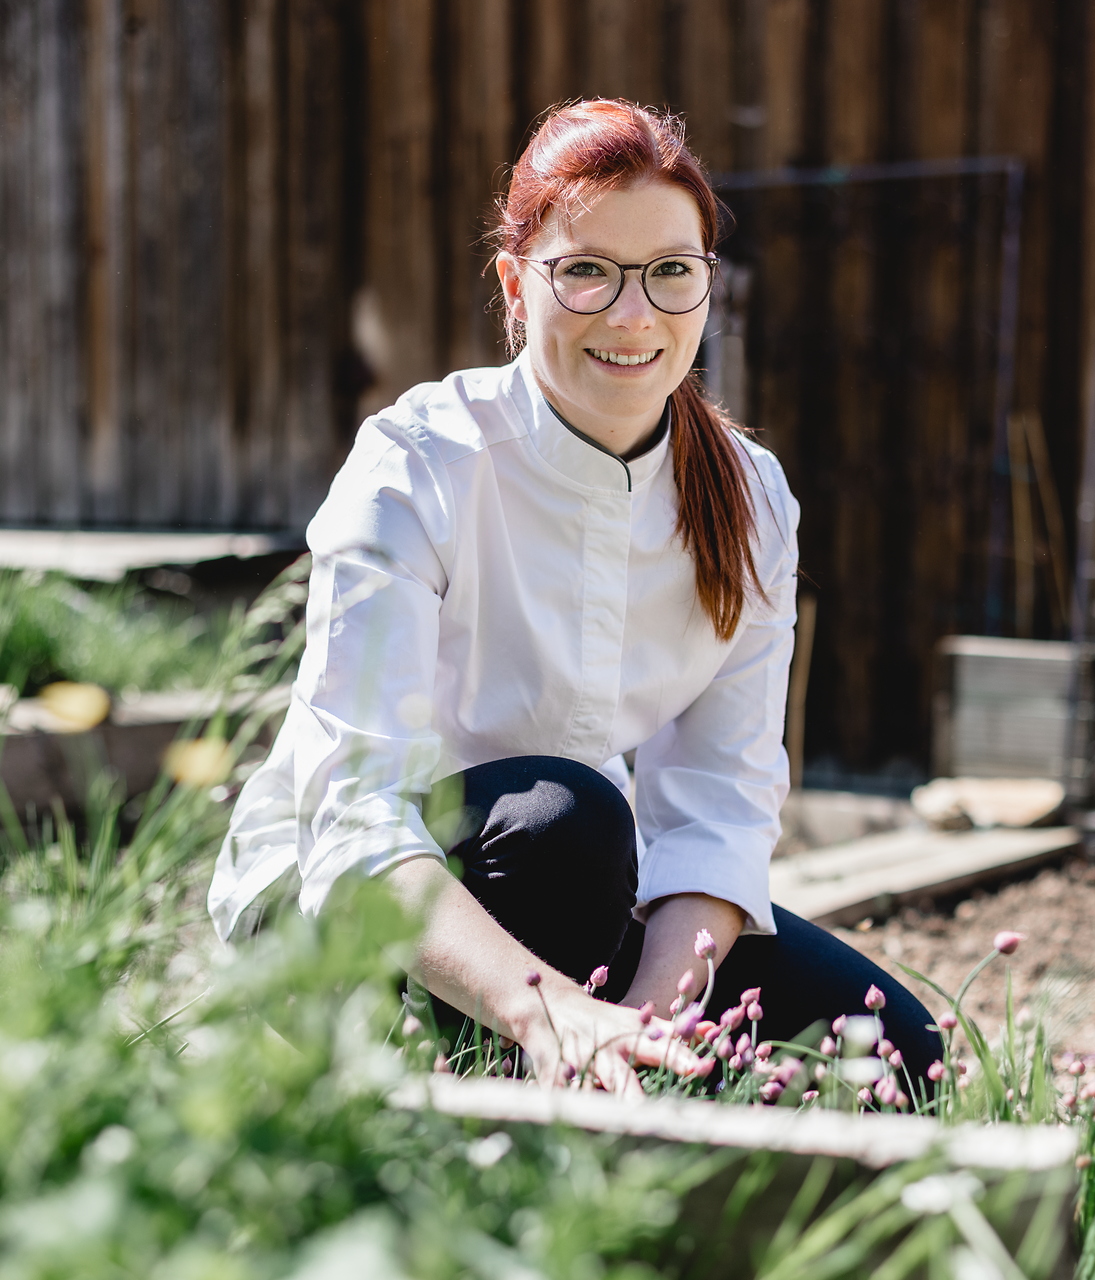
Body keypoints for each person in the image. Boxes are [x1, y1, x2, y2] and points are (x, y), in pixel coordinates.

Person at [208, 99, 940, 1093]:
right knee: (569, 820)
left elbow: (717, 807)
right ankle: (448, 1138)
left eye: (672, 273)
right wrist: (553, 1010)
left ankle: (608, 1144)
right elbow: (355, 817)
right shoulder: (418, 461)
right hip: (348, 909)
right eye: (587, 270)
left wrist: (642, 1023)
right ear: (517, 285)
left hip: (568, 899)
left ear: (707, 288)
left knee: (893, 1049)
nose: (634, 315)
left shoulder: (751, 496)